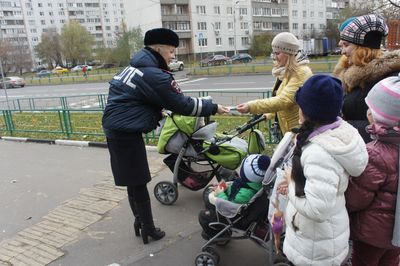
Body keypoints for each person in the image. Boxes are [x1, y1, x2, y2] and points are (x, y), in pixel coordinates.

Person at [102, 28, 230, 244]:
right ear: (158, 48)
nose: (173, 56)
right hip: (125, 133)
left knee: (133, 181)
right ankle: (148, 228)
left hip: (116, 129)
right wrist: (213, 107)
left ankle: (139, 221)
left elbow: (130, 99)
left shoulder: (134, 67)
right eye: (171, 51)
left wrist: (153, 110)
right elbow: (182, 104)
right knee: (139, 180)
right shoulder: (153, 74)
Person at [277, 74, 368, 265]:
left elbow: (316, 209)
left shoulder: (319, 152)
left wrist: (292, 182)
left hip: (315, 248)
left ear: (306, 111)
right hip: (325, 237)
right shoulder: (339, 133)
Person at [345, 75, 400, 266]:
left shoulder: (375, 154)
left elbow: (356, 198)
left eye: (371, 108)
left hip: (372, 234)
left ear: (380, 116)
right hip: (397, 233)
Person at [333, 13, 400, 143]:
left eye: (346, 45)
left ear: (362, 49)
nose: (342, 51)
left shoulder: (389, 80)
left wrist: (341, 128)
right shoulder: (354, 76)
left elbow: (389, 130)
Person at [236, 32, 312, 135]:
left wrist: (251, 106)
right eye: (274, 53)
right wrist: (268, 114)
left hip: (299, 131)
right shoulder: (285, 71)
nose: (274, 57)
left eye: (277, 53)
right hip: (288, 130)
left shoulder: (301, 72)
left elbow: (284, 100)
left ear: (288, 53)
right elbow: (281, 99)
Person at [198, 154, 270, 240]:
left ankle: (219, 235)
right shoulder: (255, 184)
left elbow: (229, 205)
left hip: (232, 216)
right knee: (209, 192)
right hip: (240, 209)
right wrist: (225, 188)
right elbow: (234, 189)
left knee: (203, 216)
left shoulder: (245, 194)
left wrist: (220, 193)